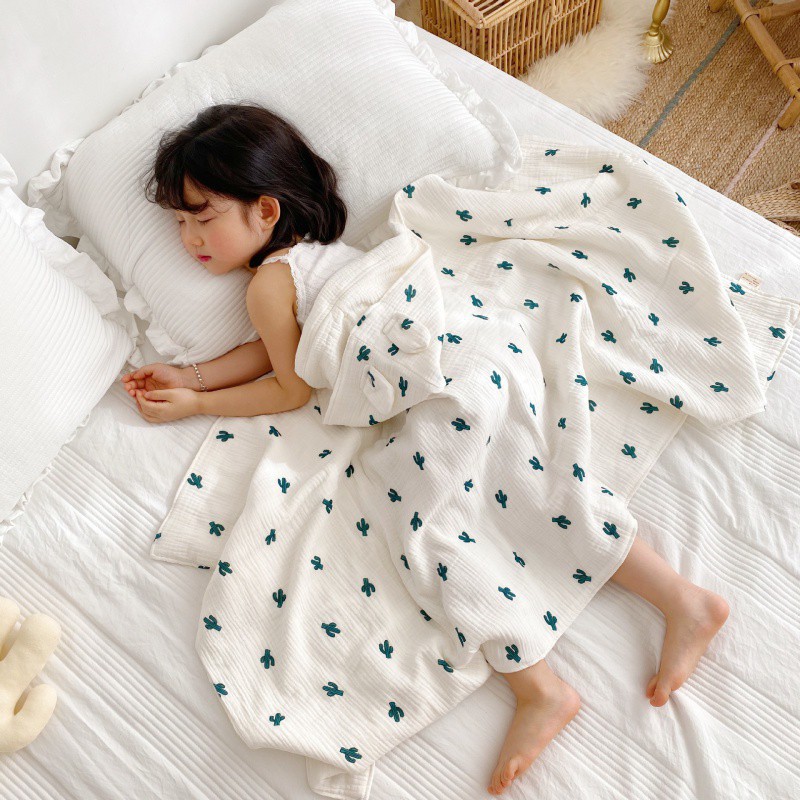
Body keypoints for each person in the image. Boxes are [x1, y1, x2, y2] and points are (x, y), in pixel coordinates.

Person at [121, 102, 730, 797]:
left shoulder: (266, 283)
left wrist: (199, 404)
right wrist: (195, 375)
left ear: (265, 210)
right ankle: (681, 597)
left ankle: (539, 686)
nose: (188, 239)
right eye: (178, 223)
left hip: (443, 389)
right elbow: (277, 346)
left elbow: (289, 387)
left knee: (427, 530)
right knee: (545, 487)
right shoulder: (314, 257)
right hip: (482, 343)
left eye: (201, 218)